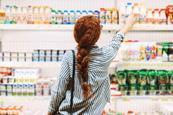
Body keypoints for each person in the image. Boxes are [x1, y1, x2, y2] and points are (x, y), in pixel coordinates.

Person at [48, 14, 138, 115]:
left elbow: (58, 90)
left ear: (75, 35)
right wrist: (127, 25)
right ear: (97, 36)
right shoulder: (106, 55)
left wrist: (50, 111)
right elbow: (116, 40)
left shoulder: (70, 56)